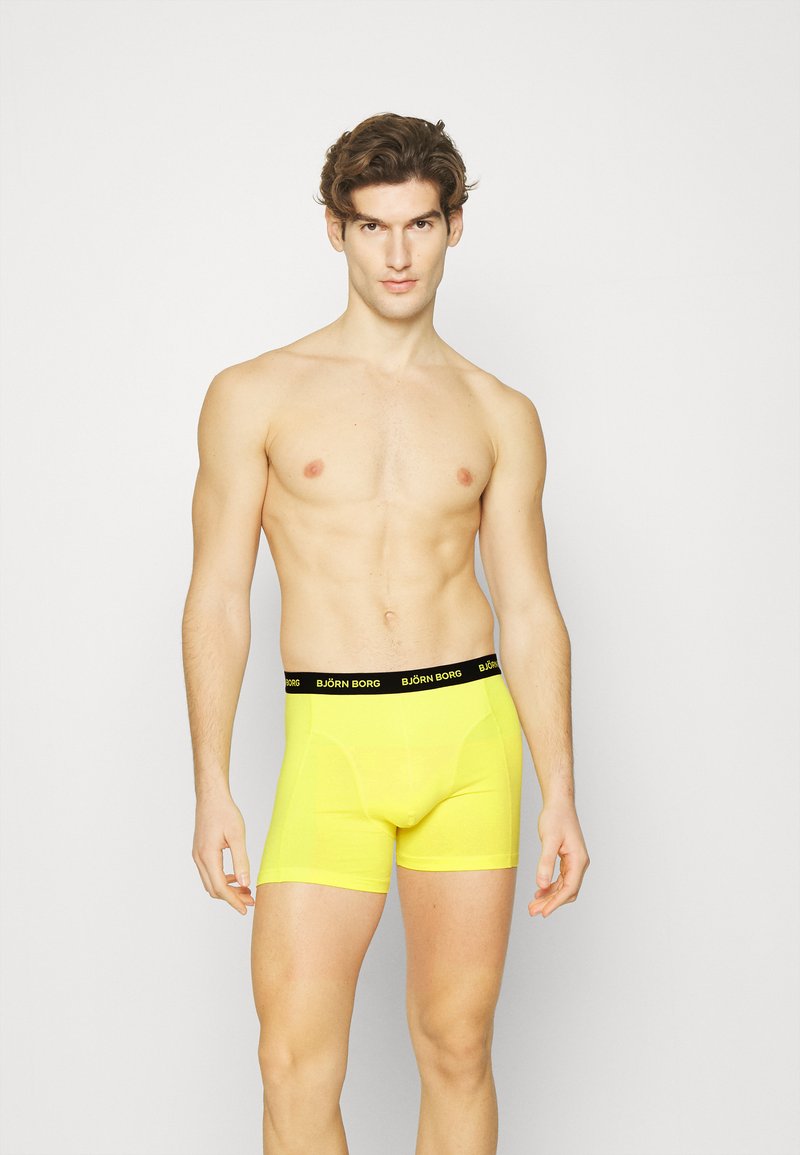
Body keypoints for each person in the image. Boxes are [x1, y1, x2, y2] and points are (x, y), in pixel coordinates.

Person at [181, 111, 590, 1155]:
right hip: (334, 744)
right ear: (336, 230)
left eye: (419, 225)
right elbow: (218, 594)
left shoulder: (498, 411)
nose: (397, 254)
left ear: (453, 227)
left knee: (456, 1046)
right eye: (372, 227)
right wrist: (212, 782)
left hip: (469, 740)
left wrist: (560, 789)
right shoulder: (253, 395)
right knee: (293, 1063)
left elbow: (530, 606)